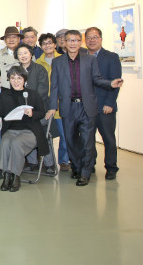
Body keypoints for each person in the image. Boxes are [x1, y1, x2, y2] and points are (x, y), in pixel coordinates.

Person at [46, 30, 123, 186]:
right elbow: (54, 86)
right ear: (65, 43)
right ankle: (76, 167)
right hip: (68, 107)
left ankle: (85, 173)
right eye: (70, 40)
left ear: (80, 42)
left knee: (87, 142)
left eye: (76, 40)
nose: (73, 43)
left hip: (86, 107)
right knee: (71, 141)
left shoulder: (90, 60)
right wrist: (53, 106)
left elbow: (97, 79)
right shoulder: (58, 62)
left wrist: (110, 84)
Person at [0, 66, 49, 192]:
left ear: (24, 79)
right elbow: (0, 113)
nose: (16, 81)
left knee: (16, 143)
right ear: (9, 80)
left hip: (30, 131)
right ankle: (6, 176)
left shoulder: (33, 94)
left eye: (19, 78)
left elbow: (41, 113)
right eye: (13, 78)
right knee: (5, 143)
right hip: (11, 130)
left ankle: (15, 176)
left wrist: (32, 113)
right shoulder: (5, 95)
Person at [85, 27, 122, 180]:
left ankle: (111, 167)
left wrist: (110, 103)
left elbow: (116, 82)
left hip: (104, 106)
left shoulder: (111, 57)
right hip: (87, 106)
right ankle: (90, 164)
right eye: (89, 37)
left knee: (108, 138)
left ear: (100, 39)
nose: (92, 40)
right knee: (88, 138)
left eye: (95, 37)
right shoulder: (82, 56)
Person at [15, 43, 54, 173]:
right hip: (22, 111)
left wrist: (30, 107)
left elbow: (43, 91)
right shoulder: (16, 70)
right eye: (20, 54)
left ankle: (49, 163)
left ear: (31, 54)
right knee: (26, 132)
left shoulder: (39, 69)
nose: (23, 56)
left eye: (25, 53)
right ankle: (32, 162)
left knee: (41, 133)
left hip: (39, 110)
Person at [35, 33, 70, 171]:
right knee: (46, 133)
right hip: (44, 102)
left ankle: (64, 160)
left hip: (60, 101)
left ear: (55, 44)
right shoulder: (38, 63)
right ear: (41, 46)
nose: (47, 46)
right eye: (44, 44)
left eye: (50, 43)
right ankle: (48, 162)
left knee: (64, 133)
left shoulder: (64, 59)